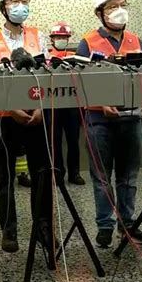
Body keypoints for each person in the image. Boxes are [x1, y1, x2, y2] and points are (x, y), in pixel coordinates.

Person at [0, 0, 54, 253]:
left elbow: (47, 76)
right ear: (3, 8)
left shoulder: (38, 36)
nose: (20, 6)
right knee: (5, 177)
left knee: (41, 174)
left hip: (36, 116)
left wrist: (40, 108)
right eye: (14, 1)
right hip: (4, 118)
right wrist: (12, 109)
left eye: (24, 0)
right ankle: (8, 231)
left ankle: (44, 228)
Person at [76, 0, 142, 248]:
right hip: (99, 121)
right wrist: (99, 103)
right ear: (100, 13)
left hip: (131, 118)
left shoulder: (136, 40)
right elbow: (79, 84)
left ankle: (127, 224)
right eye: (112, 6)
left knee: (129, 176)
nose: (119, 11)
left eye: (122, 5)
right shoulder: (87, 43)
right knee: (102, 176)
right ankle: (105, 225)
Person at [48, 21, 85, 185]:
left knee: (73, 141)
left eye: (64, 37)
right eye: (58, 37)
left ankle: (74, 173)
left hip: (72, 105)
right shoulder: (46, 57)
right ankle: (57, 173)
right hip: (53, 105)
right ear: (52, 39)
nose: (61, 39)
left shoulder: (75, 57)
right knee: (54, 142)